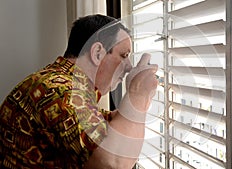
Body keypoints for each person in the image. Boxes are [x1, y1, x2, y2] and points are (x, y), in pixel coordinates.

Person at [0, 14, 158, 169]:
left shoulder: (56, 81)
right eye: (123, 55)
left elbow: (108, 125)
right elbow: (114, 163)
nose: (129, 66)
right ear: (97, 53)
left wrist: (143, 95)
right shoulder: (60, 91)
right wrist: (137, 94)